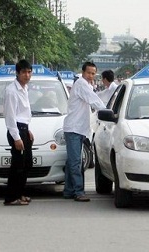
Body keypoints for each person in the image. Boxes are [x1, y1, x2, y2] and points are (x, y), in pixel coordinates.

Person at [63, 62, 105, 202]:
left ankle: (69, 191)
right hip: (74, 128)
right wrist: (107, 112)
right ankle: (79, 192)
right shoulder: (81, 84)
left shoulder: (86, 85)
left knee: (72, 162)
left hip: (79, 129)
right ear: (82, 72)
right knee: (76, 163)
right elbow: (95, 101)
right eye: (89, 73)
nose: (91, 76)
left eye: (93, 73)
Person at [2, 59, 34, 206]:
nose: (27, 75)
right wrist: (16, 137)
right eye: (24, 72)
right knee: (18, 166)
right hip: (16, 131)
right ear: (18, 73)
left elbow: (24, 113)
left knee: (26, 164)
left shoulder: (24, 88)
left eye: (29, 72)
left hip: (24, 129)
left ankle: (20, 193)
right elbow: (10, 116)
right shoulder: (11, 90)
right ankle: (11, 197)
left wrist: (28, 130)